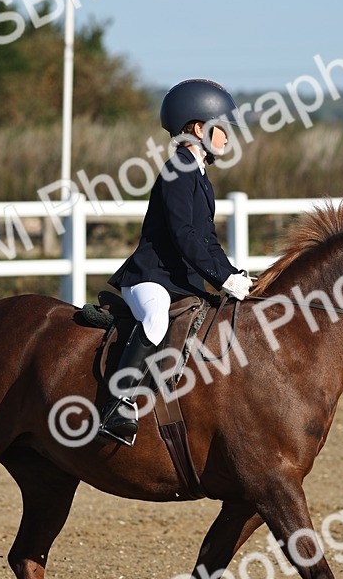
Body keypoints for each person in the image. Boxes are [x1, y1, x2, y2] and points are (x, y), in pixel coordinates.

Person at [98, 78, 253, 446]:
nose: (228, 136)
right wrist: (220, 278)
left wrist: (232, 275)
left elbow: (207, 239)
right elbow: (184, 235)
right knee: (155, 318)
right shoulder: (177, 170)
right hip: (150, 278)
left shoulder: (199, 175)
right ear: (198, 129)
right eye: (222, 127)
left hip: (178, 280)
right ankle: (117, 404)